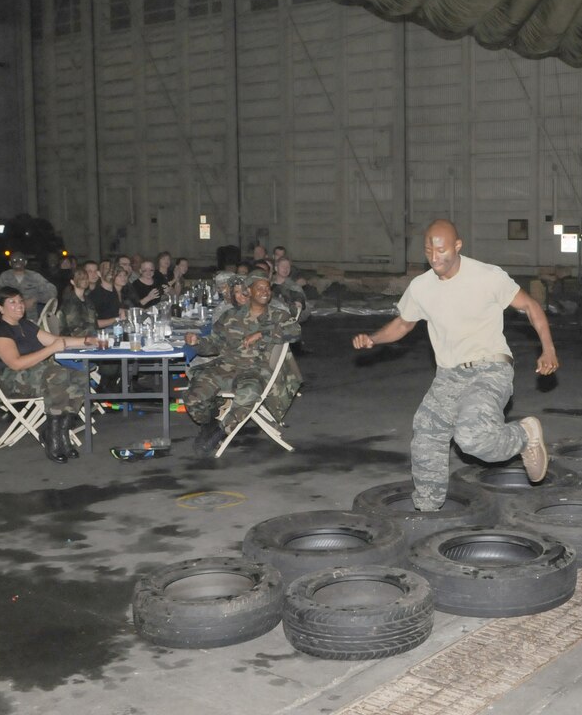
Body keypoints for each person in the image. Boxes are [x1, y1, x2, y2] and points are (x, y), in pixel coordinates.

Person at [352, 219, 555, 511]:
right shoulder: (421, 287)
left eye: (442, 251)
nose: (435, 258)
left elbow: (530, 306)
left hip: (490, 368)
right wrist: (373, 339)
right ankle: (428, 508)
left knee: (472, 436)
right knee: (426, 431)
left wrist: (547, 349)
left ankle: (523, 436)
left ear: (458, 246)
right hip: (449, 374)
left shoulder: (487, 276)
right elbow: (403, 324)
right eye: (428, 251)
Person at [183, 273, 302, 454]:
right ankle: (209, 423)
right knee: (193, 397)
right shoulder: (230, 316)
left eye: (267, 288)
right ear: (250, 291)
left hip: (255, 370)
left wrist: (262, 334)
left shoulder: (278, 315)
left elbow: (295, 331)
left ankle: (221, 431)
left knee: (248, 393)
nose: (265, 292)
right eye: (260, 288)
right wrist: (197, 342)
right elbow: (213, 344)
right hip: (225, 367)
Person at [0, 287, 93, 463]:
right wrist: (51, 349)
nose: (19, 305)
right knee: (57, 376)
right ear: (0, 308)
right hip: (12, 379)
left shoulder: (26, 325)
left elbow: (55, 341)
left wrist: (87, 341)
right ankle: (53, 437)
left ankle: (61, 433)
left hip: (37, 373)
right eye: (12, 302)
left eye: (20, 301)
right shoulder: (0, 331)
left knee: (79, 374)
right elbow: (16, 363)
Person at [57, 267, 98, 338]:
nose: (84, 281)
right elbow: (74, 330)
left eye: (86, 278)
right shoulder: (70, 302)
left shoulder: (88, 300)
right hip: (73, 340)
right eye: (80, 279)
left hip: (89, 337)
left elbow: (94, 323)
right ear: (72, 282)